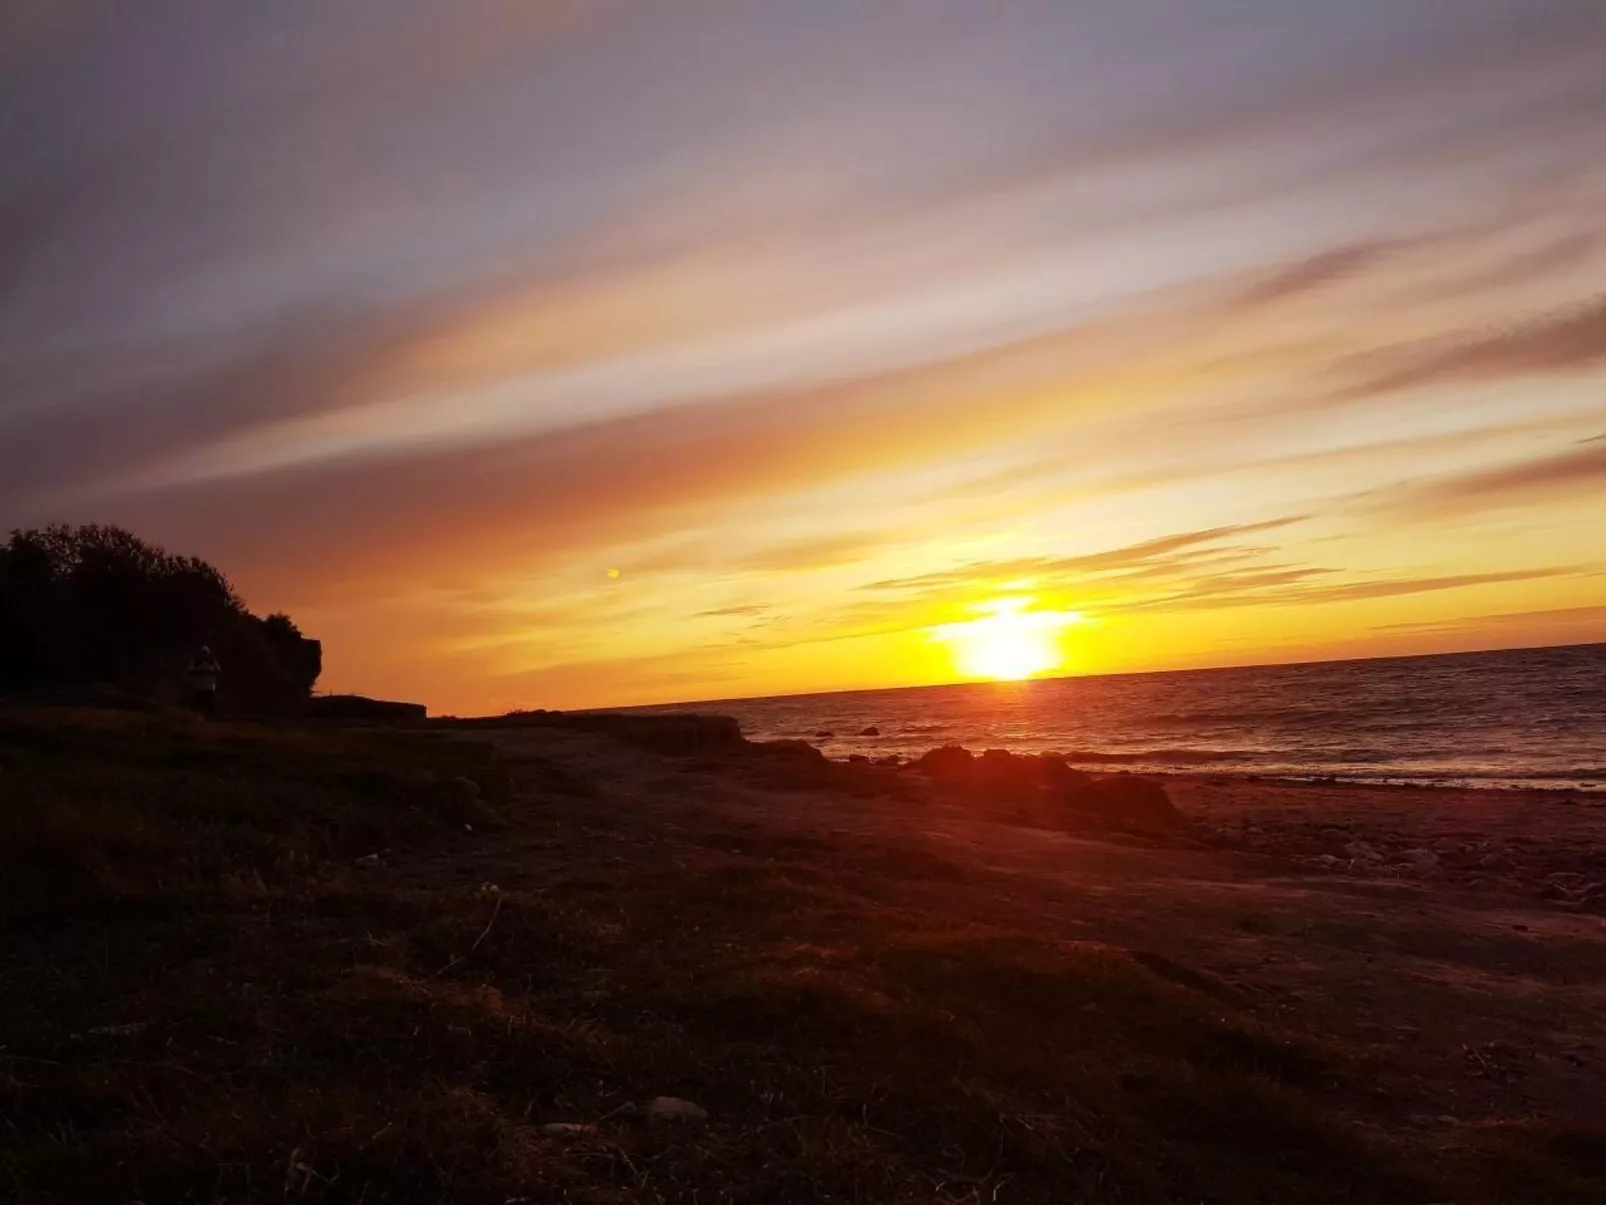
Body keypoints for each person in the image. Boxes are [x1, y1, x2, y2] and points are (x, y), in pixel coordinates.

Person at [187, 645, 221, 716]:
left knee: (209, 700)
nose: (204, 655)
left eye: (205, 653)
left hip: (209, 685)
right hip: (199, 685)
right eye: (203, 653)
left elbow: (218, 670)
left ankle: (210, 715)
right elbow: (190, 670)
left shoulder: (212, 662)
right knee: (199, 700)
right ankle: (198, 715)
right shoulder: (196, 662)